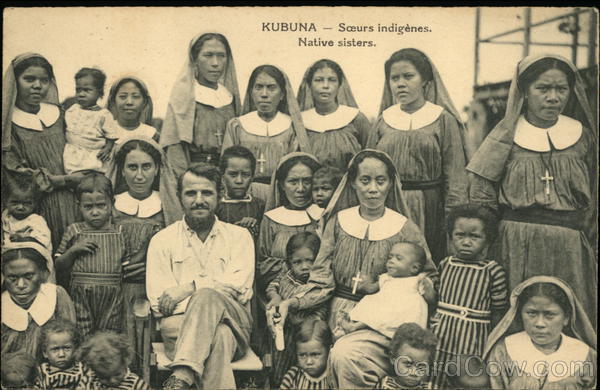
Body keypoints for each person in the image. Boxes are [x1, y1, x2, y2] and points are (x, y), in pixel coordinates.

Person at [466, 54, 598, 327]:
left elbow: (594, 197)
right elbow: (481, 196)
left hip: (570, 248)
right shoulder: (505, 137)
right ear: (525, 91)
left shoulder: (583, 136)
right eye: (543, 89)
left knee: (568, 321)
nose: (553, 97)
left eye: (561, 89)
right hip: (515, 245)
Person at [294, 149, 437, 388]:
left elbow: (426, 274)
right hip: (338, 312)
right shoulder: (338, 221)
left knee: (345, 356)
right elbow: (321, 277)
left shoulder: (405, 227)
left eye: (380, 181)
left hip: (386, 320)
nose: (373, 189)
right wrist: (295, 302)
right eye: (365, 180)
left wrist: (425, 285)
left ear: (391, 184)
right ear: (352, 184)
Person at [146, 165, 255, 390]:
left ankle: (182, 374)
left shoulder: (239, 237)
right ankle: (184, 374)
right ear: (179, 197)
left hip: (235, 325)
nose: (199, 200)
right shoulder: (162, 240)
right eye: (190, 193)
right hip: (180, 331)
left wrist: (188, 288)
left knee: (207, 297)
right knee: (219, 334)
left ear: (220, 196)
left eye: (206, 193)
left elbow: (239, 288)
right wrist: (212, 295)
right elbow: (159, 302)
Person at [367, 48, 468, 263]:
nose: (400, 84)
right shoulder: (383, 121)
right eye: (394, 78)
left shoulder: (443, 120)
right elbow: (367, 170)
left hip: (430, 207)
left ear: (425, 81)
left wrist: (453, 220)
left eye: (408, 76)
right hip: (390, 203)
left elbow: (456, 176)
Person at [107, 136, 180, 371]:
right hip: (113, 290)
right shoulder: (109, 205)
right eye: (132, 167)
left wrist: (152, 268)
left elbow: (177, 254)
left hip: (153, 291)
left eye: (146, 167)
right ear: (121, 169)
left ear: (158, 169)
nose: (139, 176)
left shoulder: (167, 207)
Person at [2, 53, 82, 251]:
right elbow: (13, 169)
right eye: (29, 79)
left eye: (44, 80)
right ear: (15, 82)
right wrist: (64, 180)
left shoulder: (60, 115)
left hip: (72, 204)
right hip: (31, 209)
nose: (37, 85)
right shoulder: (8, 125)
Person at [431, 204, 508, 389]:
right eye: (460, 235)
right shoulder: (445, 264)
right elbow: (438, 297)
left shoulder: (492, 271)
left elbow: (498, 311)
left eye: (474, 236)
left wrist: (491, 340)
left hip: (472, 334)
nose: (466, 242)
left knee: (464, 373)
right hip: (442, 331)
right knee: (437, 370)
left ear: (487, 241)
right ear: (450, 238)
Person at [54, 173, 138, 337]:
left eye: (101, 205)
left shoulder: (119, 232)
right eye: (88, 207)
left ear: (111, 203)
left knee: (109, 334)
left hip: (112, 295)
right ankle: (83, 363)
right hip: (81, 294)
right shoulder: (74, 231)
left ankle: (106, 362)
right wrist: (73, 251)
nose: (95, 212)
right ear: (78, 206)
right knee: (81, 332)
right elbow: (57, 265)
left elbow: (127, 267)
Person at [484, 276, 597, 389]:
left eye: (549, 315)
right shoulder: (503, 351)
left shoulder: (586, 356)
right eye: (531, 313)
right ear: (520, 314)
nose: (540, 323)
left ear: (566, 318)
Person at [221, 65, 312, 201]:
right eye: (258, 87)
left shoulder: (292, 127)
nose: (264, 94)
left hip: (281, 196)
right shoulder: (237, 125)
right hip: (244, 195)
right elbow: (226, 167)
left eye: (271, 88)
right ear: (251, 92)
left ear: (282, 94)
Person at [161, 33, 242, 174]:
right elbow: (175, 150)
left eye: (221, 56)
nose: (215, 63)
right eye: (208, 55)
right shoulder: (185, 97)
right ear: (195, 59)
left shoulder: (229, 97)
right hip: (195, 175)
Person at [265, 231, 327, 386]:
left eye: (309, 261)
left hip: (304, 336)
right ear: (289, 263)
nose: (304, 266)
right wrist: (275, 297)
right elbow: (273, 285)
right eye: (297, 262)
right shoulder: (287, 275)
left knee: (301, 371)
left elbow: (319, 312)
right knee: (279, 367)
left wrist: (297, 319)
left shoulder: (317, 283)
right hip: (283, 333)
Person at [336, 242, 428, 339]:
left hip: (404, 308)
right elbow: (371, 289)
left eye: (398, 258)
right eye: (390, 257)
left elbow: (429, 296)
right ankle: (354, 325)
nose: (391, 261)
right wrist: (365, 284)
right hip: (386, 305)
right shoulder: (386, 277)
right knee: (372, 306)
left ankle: (355, 327)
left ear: (414, 268)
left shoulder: (418, 280)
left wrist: (428, 289)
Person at [258, 152, 322, 290]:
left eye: (307, 181)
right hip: (278, 291)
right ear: (281, 184)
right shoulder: (272, 219)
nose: (301, 189)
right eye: (293, 182)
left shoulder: (323, 216)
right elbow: (262, 265)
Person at [1, 241, 75, 359]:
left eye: (29, 276)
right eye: (12, 277)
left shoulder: (55, 295)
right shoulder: (3, 303)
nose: (20, 284)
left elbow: (70, 339)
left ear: (43, 274)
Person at [297, 59, 371, 170]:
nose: (325, 86)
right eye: (319, 80)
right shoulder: (301, 122)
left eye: (332, 80)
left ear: (340, 85)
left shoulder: (355, 118)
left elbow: (370, 156)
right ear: (309, 85)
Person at [63, 67, 117, 175]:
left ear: (99, 92)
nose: (81, 94)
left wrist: (107, 148)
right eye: (78, 90)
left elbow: (111, 136)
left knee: (90, 175)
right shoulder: (73, 109)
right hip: (73, 152)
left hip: (93, 154)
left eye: (87, 90)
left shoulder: (103, 114)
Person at [216, 145, 266, 239]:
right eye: (233, 174)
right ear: (223, 176)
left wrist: (254, 225)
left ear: (252, 177)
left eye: (245, 175)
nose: (239, 180)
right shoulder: (216, 206)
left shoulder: (260, 206)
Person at [77, 331, 149, 390]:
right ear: (94, 370)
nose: (112, 381)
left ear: (125, 362)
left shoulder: (136, 384)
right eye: (104, 377)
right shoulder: (89, 380)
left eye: (117, 375)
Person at [375, 323, 438, 389]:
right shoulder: (385, 386)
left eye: (421, 367)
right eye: (408, 365)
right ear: (393, 358)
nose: (414, 373)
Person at [280, 319, 332, 390]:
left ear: (329, 350)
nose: (309, 362)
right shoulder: (292, 377)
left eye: (315, 355)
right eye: (303, 355)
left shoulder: (333, 377)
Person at [2, 177, 52, 252]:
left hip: (30, 254)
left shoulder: (36, 221)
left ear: (35, 204)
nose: (20, 207)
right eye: (15, 202)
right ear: (5, 201)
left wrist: (23, 239)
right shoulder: (5, 218)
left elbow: (44, 241)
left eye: (27, 203)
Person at [35, 319, 87, 390]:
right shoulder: (41, 373)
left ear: (76, 349)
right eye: (55, 349)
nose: (61, 354)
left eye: (67, 348)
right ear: (45, 352)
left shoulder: (83, 371)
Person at [106, 76, 158, 145]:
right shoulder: (104, 131)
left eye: (136, 97)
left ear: (144, 102)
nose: (129, 102)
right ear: (113, 101)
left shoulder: (151, 134)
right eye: (122, 96)